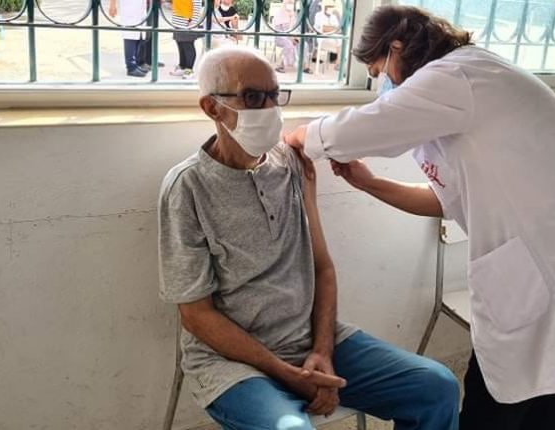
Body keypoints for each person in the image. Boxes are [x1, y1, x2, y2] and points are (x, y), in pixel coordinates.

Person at [284, 6, 555, 430]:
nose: (383, 83)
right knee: (545, 385)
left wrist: (298, 137)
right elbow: (446, 200)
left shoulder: (456, 76)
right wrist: (369, 184)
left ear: (397, 47)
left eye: (379, 70)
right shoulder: (462, 90)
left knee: (495, 398)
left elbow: (360, 128)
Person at [158, 46, 460, 430]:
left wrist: (322, 351)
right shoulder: (187, 188)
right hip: (231, 362)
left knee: (436, 387)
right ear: (212, 107)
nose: (270, 108)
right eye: (253, 97)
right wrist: (287, 373)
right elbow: (196, 315)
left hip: (310, 340)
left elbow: (323, 268)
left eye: (274, 94)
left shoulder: (290, 163)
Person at [108, 0, 147, 77]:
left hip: (139, 7)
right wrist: (112, 5)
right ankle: (131, 67)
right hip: (129, 7)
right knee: (130, 35)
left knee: (139, 33)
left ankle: (135, 65)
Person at [272, 0, 312, 74]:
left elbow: (296, 29)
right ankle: (280, 65)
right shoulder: (279, 14)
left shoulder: (293, 15)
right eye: (289, 2)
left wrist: (296, 38)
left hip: (292, 37)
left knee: (304, 44)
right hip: (281, 37)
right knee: (289, 44)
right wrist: (290, 39)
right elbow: (280, 32)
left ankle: (305, 67)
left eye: (292, 3)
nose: (290, 5)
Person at [170, 0, 203, 79]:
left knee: (188, 45)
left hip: (187, 22)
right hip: (177, 20)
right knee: (180, 44)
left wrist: (194, 21)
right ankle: (182, 66)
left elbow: (197, 5)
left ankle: (189, 69)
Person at [313, 4, 341, 68]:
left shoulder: (333, 16)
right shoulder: (318, 15)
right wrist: (332, 29)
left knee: (344, 42)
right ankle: (338, 63)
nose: (329, 8)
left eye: (331, 6)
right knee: (340, 44)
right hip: (323, 39)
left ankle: (338, 62)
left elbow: (338, 29)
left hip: (334, 39)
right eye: (328, 6)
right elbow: (322, 28)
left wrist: (329, 29)